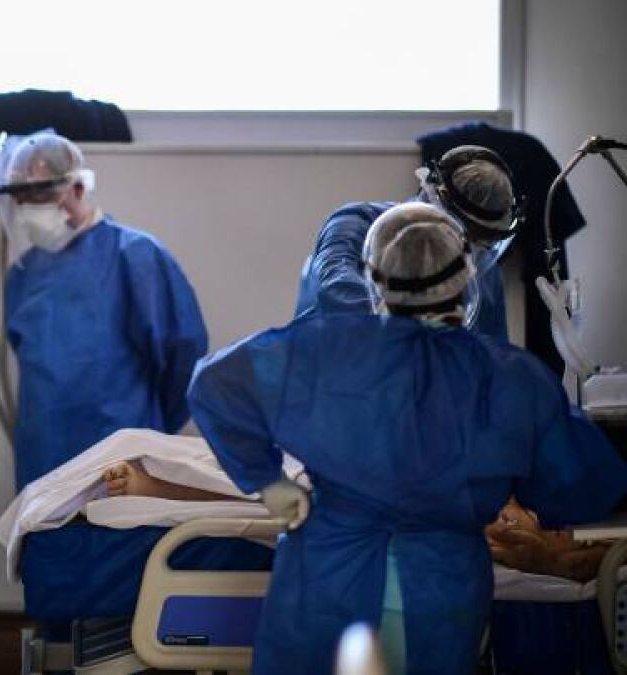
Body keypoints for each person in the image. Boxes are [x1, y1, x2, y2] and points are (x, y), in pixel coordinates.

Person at [186, 203, 627, 675]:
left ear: (372, 279)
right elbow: (579, 488)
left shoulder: (324, 348)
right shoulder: (512, 378)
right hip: (439, 589)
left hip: (329, 575)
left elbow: (215, 384)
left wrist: (269, 482)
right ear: (469, 278)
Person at [0, 131, 208, 490]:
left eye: (40, 195)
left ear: (77, 188)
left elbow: (183, 360)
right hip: (43, 463)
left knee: (122, 525)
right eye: (21, 198)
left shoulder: (135, 256)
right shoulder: (23, 276)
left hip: (122, 462)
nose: (29, 208)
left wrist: (149, 435)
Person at [294, 145, 520, 341]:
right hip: (339, 361)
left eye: (479, 242)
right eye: (460, 234)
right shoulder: (355, 223)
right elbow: (337, 290)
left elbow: (490, 354)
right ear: (431, 202)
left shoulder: (482, 268)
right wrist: (407, 333)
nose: (465, 249)